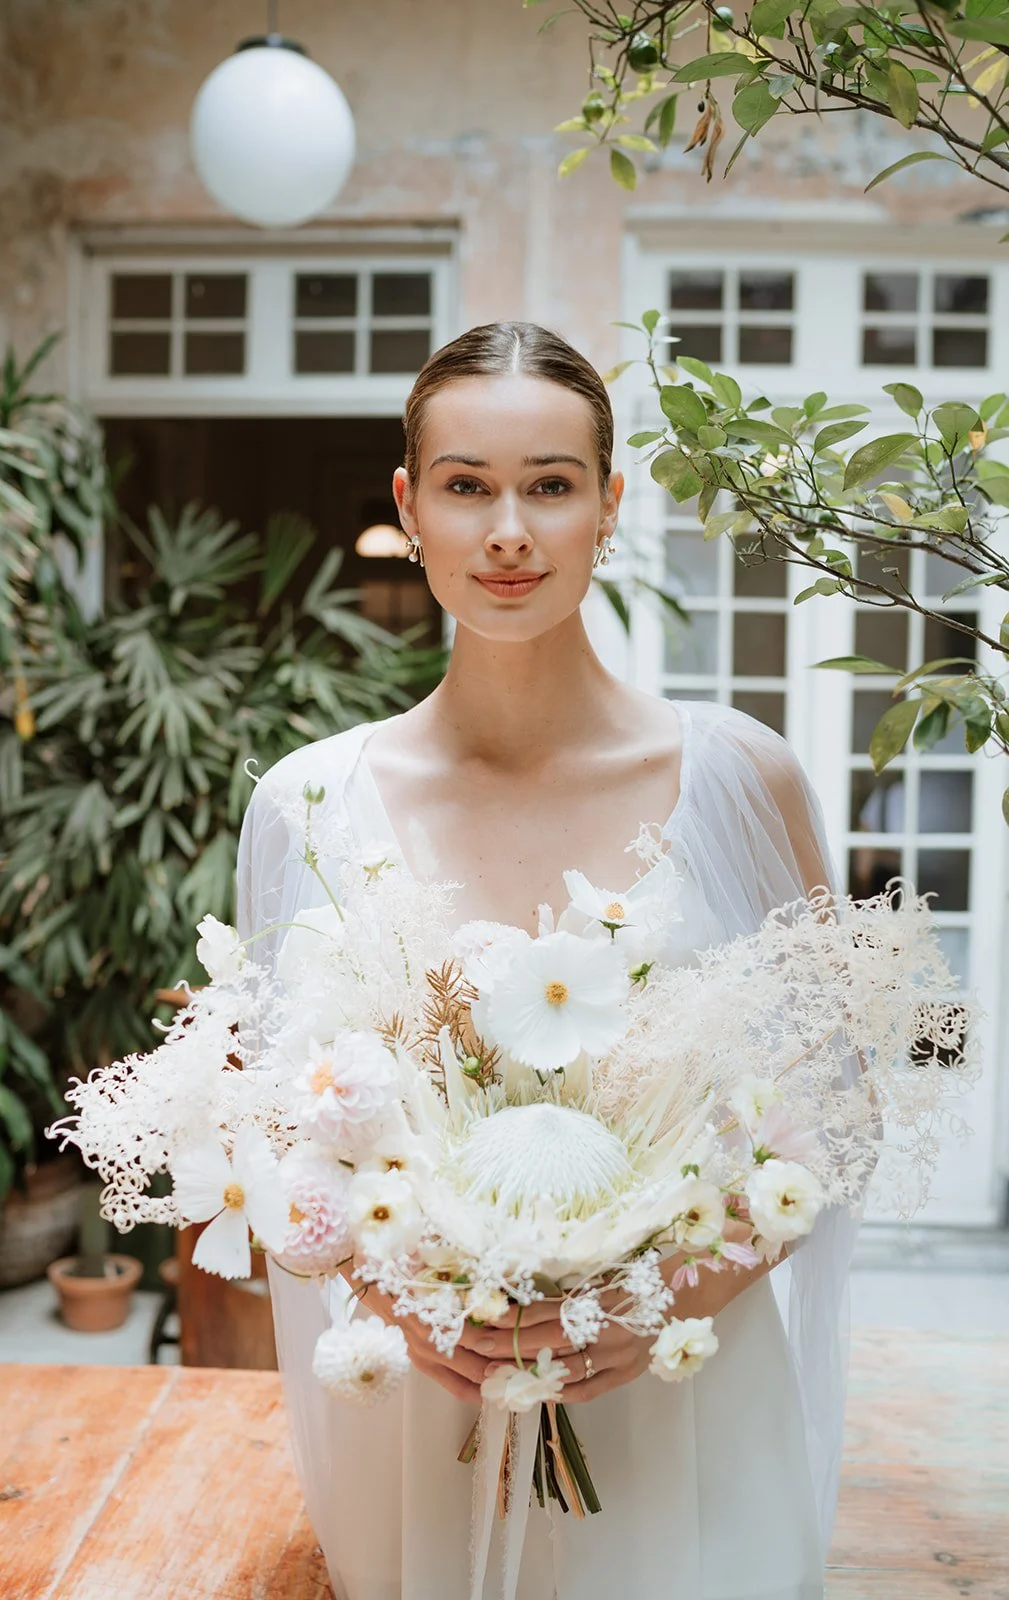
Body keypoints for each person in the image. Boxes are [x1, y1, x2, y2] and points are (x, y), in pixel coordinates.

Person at [236, 322, 861, 1600]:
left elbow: (836, 1103)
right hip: (424, 1403)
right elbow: (262, 1120)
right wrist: (403, 1297)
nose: (507, 530)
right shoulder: (307, 800)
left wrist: (661, 1298)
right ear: (409, 507)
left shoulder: (740, 778)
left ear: (608, 504)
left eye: (550, 484)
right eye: (466, 485)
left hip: (680, 1389)